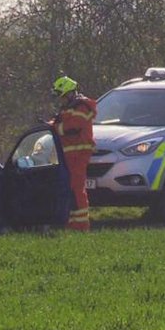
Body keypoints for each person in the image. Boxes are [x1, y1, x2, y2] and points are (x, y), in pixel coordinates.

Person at [50, 75, 97, 231]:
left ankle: (82, 225)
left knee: (77, 188)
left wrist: (55, 128)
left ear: (69, 93)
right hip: (70, 155)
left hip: (79, 154)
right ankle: (71, 222)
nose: (60, 100)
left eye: (62, 96)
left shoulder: (82, 107)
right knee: (69, 187)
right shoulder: (72, 108)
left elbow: (72, 128)